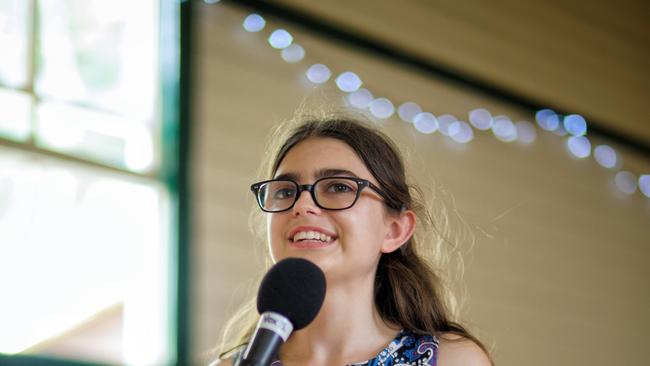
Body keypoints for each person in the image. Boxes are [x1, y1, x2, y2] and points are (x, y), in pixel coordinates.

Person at [212, 111, 492, 366]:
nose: (302, 205)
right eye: (286, 192)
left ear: (395, 230)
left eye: (338, 187)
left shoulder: (454, 361)